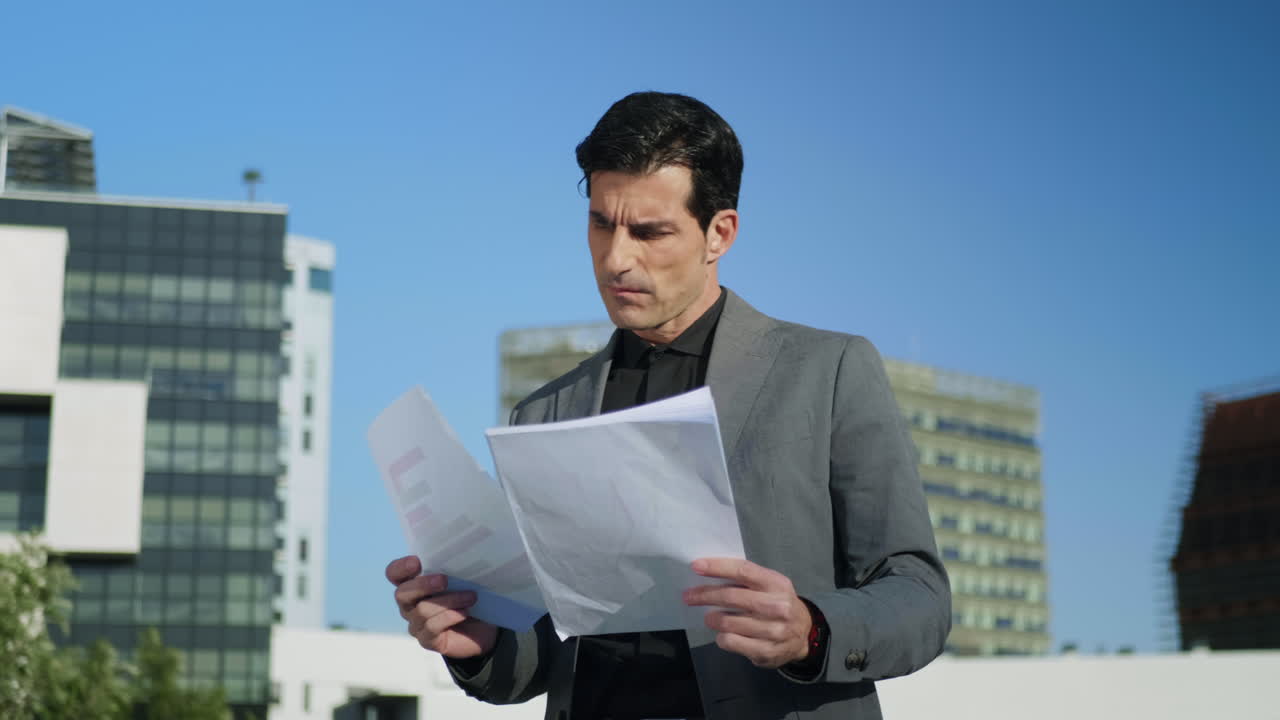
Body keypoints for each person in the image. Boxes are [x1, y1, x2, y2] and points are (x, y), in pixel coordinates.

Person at [385, 91, 950, 720]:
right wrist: (481, 644)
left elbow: (920, 597)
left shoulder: (828, 371)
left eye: (650, 232)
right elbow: (547, 654)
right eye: (602, 223)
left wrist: (811, 630)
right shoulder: (544, 412)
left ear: (720, 233)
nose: (616, 258)